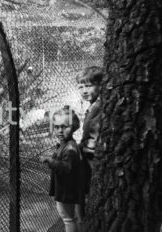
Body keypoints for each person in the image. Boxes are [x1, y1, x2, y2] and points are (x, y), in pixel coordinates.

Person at [40, 106, 84, 232]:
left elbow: (66, 168)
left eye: (64, 127)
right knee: (70, 217)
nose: (60, 130)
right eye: (57, 127)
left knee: (67, 218)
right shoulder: (65, 144)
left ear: (73, 127)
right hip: (66, 189)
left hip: (66, 191)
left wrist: (50, 160)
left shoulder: (70, 148)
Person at [75, 66, 103, 222]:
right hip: (87, 153)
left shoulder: (98, 106)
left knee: (85, 190)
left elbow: (94, 136)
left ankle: (84, 222)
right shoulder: (93, 105)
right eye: (81, 87)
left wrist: (82, 148)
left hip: (92, 157)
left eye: (89, 86)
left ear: (100, 85)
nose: (84, 90)